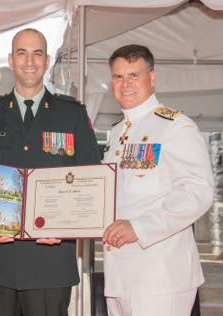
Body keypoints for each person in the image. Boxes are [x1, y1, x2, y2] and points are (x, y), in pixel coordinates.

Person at [0, 28, 100, 316]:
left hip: (49, 262)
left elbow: (91, 183)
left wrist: (65, 230)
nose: (29, 60)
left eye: (37, 53)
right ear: (10, 60)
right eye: (22, 53)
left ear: (47, 60)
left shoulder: (72, 114)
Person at [102, 44, 214, 316]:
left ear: (152, 78)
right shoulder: (117, 133)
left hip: (160, 274)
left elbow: (198, 192)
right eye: (118, 77)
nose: (125, 84)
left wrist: (139, 228)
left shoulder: (176, 126)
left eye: (133, 75)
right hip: (119, 274)